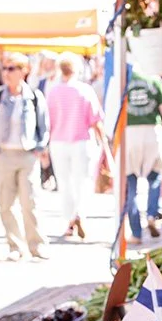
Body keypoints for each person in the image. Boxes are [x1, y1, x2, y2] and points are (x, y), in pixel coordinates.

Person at [0, 53, 49, 260]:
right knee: (5, 203)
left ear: (23, 71)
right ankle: (15, 246)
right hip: (4, 154)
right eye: (4, 68)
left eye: (11, 68)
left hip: (27, 155)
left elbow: (44, 125)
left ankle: (36, 245)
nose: (6, 73)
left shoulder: (34, 97)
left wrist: (40, 147)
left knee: (30, 202)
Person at [44, 53, 107, 240]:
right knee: (83, 181)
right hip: (82, 141)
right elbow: (96, 120)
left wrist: (44, 146)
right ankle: (79, 213)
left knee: (64, 183)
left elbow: (47, 122)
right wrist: (104, 142)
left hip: (58, 142)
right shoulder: (85, 90)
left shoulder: (53, 92)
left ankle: (70, 220)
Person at [124, 67, 162, 237]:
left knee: (131, 184)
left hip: (130, 133)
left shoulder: (124, 78)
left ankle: (136, 233)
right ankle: (151, 214)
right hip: (153, 132)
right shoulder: (154, 79)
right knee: (154, 178)